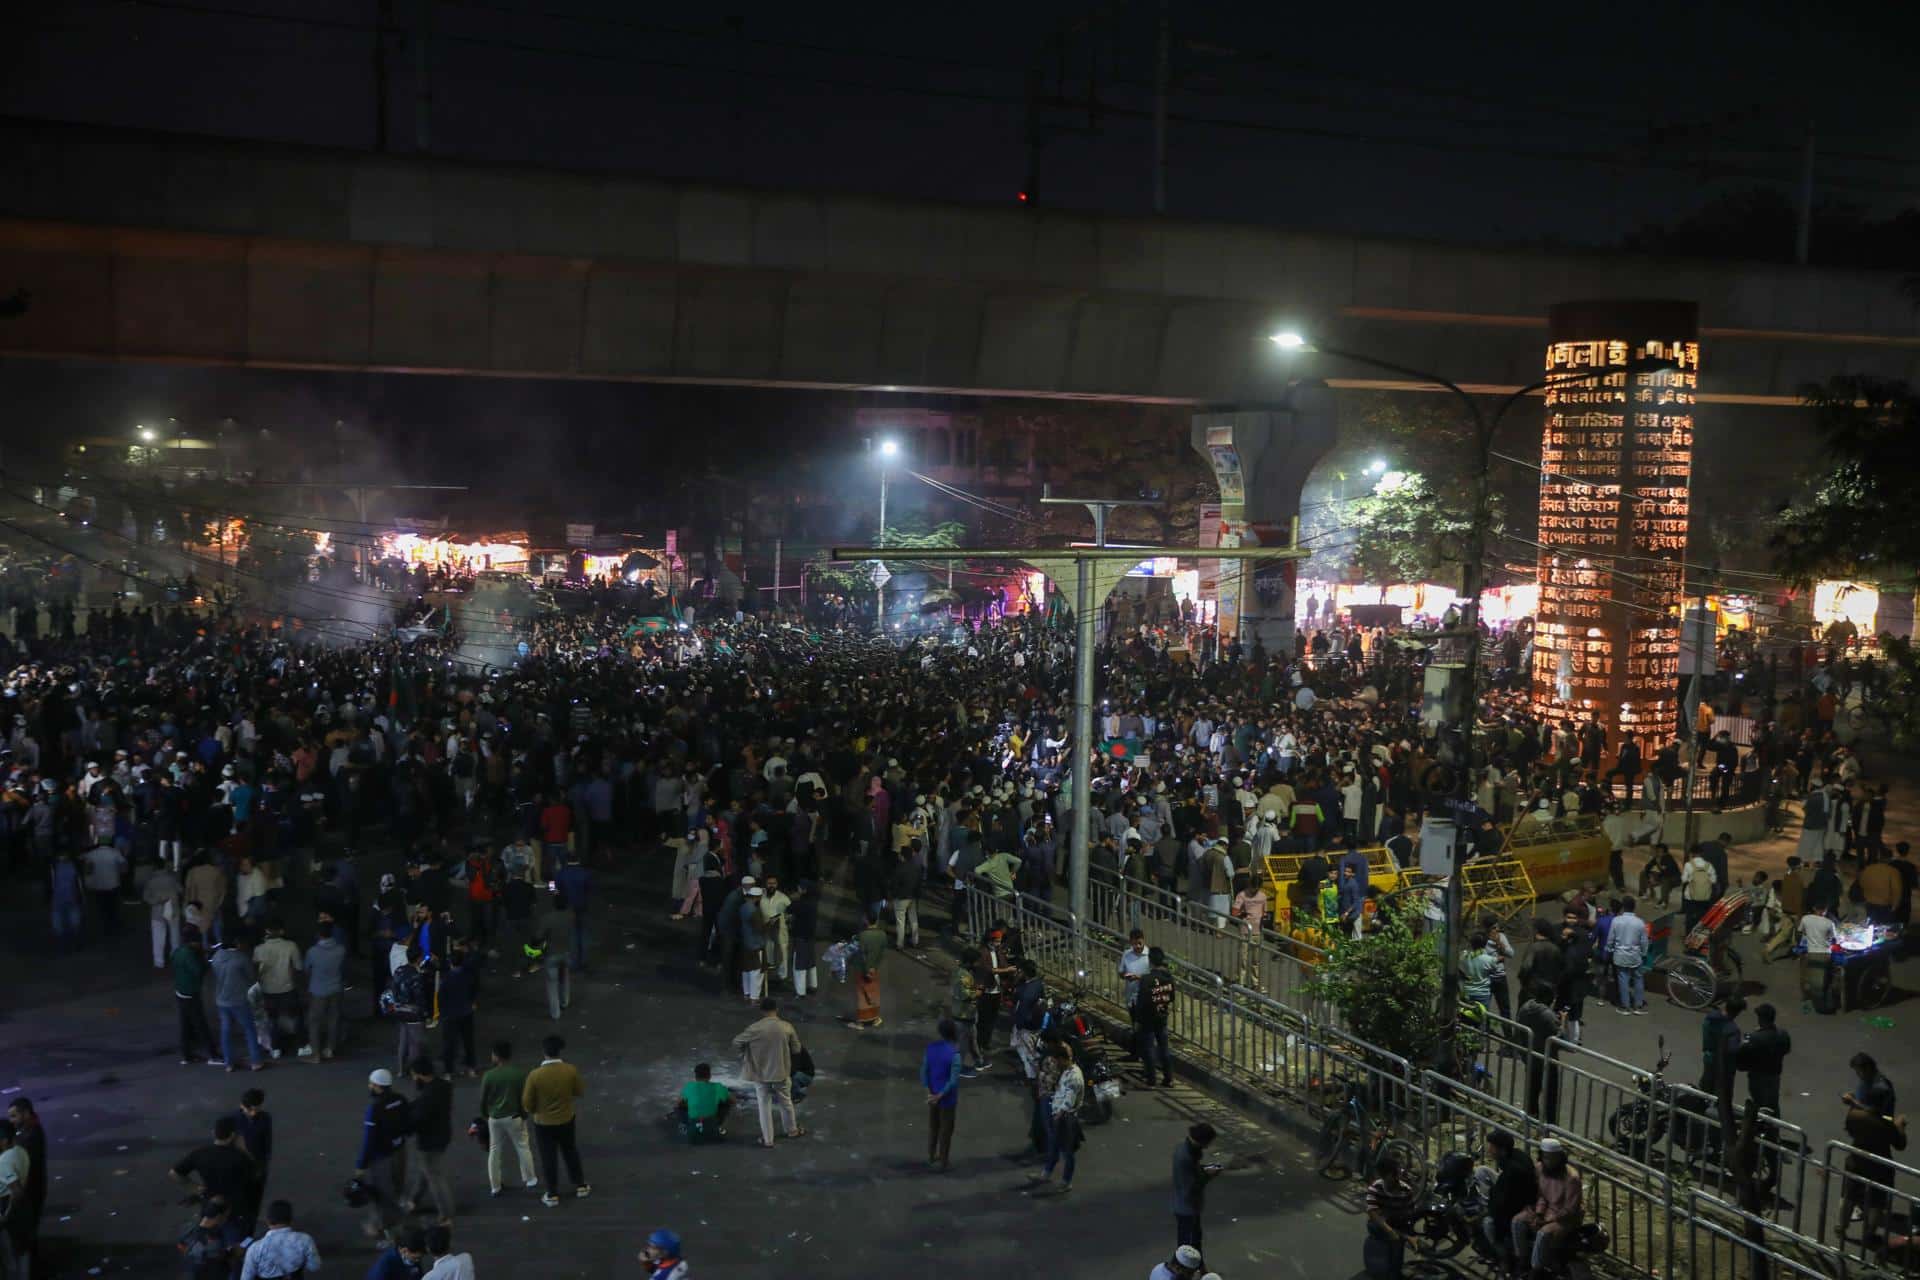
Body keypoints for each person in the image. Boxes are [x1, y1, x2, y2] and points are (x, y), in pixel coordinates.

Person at [522, 1035, 590, 1206]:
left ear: (544, 1052)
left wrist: (536, 1110)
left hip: (543, 1123)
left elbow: (527, 1103)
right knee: (570, 1151)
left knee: (548, 1157)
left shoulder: (535, 1075)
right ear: (559, 1050)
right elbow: (579, 1091)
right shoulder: (570, 1070)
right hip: (566, 1119)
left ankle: (552, 1194)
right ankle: (580, 1185)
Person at [732, 997, 806, 1149]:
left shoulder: (754, 1028)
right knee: (786, 1102)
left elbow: (737, 1042)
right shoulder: (786, 1027)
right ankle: (792, 1130)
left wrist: (745, 1055)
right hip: (781, 1071)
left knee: (763, 1105)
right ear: (776, 1009)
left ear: (762, 1011)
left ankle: (768, 1140)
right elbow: (797, 1049)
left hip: (760, 1073)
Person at [353, 1068, 413, 1240]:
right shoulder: (400, 1100)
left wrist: (361, 1165)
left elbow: (369, 1140)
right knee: (397, 1186)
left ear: (378, 1086)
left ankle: (389, 1231)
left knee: (382, 1193)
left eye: (371, 1084)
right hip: (400, 1151)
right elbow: (408, 1122)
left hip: (382, 1157)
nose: (369, 1086)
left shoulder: (375, 1108)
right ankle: (384, 1221)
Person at [169, 1117, 258, 1228]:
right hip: (234, 1211)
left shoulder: (199, 1153)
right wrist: (244, 1148)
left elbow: (174, 1173)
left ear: (214, 1133)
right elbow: (256, 1173)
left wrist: (195, 1187)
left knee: (206, 1236)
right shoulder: (239, 1157)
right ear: (232, 1135)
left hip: (209, 1207)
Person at [1511, 1138, 1583, 1276]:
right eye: (1546, 1158)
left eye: (1552, 1159)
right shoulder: (1539, 1168)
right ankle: (1522, 1259)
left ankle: (1536, 1269)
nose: (1549, 1162)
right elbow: (1541, 1196)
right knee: (1517, 1221)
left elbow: (1570, 1209)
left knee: (1543, 1233)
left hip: (1565, 1218)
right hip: (1545, 1211)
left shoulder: (1572, 1178)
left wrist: (1547, 1220)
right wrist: (1538, 1214)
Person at [479, 1040, 541, 1195]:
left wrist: (486, 1114)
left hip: (495, 1118)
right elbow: (524, 1097)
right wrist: (523, 1114)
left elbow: (483, 1100)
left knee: (494, 1151)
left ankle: (495, 1185)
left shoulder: (489, 1076)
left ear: (496, 1056)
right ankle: (530, 1179)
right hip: (514, 1116)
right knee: (522, 1146)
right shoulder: (519, 1074)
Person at [1027, 1040, 1083, 1194]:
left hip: (1065, 1119)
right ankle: (1046, 1173)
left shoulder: (1074, 1077)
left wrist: (1057, 1117)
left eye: (1058, 1060)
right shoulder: (1067, 1070)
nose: (1056, 1063)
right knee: (1054, 1145)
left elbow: (1068, 1102)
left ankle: (1066, 1181)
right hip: (1059, 1115)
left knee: (1067, 1152)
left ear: (1064, 1059)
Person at [407, 1058, 456, 1226]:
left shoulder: (427, 1096)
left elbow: (417, 1119)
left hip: (429, 1141)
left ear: (420, 1075)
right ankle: (413, 1200)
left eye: (414, 1075)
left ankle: (446, 1213)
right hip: (443, 1136)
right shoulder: (443, 1086)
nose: (413, 1079)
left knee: (434, 1176)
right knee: (427, 1170)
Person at [1483, 1130, 1538, 1271]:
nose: (1488, 1149)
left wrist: (1489, 1211)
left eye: (1492, 1147)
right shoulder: (1516, 1155)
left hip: (1518, 1205)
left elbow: (1506, 1203)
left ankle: (1504, 1257)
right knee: (1482, 1171)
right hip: (1512, 1196)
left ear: (1501, 1149)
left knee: (1488, 1223)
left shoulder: (1513, 1170)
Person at [211, 933, 266, 1072]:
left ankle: (229, 1063)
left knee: (226, 1031)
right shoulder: (241, 958)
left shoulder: (216, 957)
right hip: (239, 1000)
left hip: (222, 1000)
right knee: (249, 1030)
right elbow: (251, 978)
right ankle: (256, 1061)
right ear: (236, 943)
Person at [1699, 994, 1745, 1159]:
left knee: (1704, 1093)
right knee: (1722, 1103)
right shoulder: (1732, 1029)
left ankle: (1701, 1128)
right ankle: (1715, 1141)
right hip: (1723, 1069)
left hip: (1709, 1059)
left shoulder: (1709, 1020)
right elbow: (1733, 1051)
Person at [3, 1100, 43, 1279]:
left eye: (14, 1115)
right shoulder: (21, 1148)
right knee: (24, 1247)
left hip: (20, 1204)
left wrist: (6, 1216)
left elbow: (16, 1191)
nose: (12, 1120)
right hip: (30, 1197)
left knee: (13, 1256)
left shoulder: (5, 1161)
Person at [1363, 1149, 1418, 1279]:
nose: (1400, 1174)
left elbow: (1410, 1213)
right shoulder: (1375, 1189)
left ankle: (1395, 1271)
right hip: (1380, 1224)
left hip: (1398, 1222)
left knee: (1399, 1241)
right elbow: (1373, 1214)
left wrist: (1408, 1232)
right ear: (1387, 1175)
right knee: (1383, 1231)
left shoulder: (1406, 1190)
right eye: (1397, 1172)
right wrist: (1392, 1232)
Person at [236, 1199, 321, 1280]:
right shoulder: (305, 1239)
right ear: (291, 1220)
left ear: (267, 1221)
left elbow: (246, 1278)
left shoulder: (255, 1248)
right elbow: (314, 1267)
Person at [300, 919, 347, 1062]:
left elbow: (306, 969)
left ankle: (316, 1054)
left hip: (318, 990)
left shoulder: (312, 952)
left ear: (318, 935)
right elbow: (344, 969)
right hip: (336, 988)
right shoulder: (341, 949)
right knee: (334, 1019)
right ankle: (330, 1049)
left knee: (314, 1021)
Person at [172, 926, 219, 1064]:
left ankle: (186, 1055)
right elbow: (199, 971)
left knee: (186, 1026)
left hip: (180, 992)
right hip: (191, 993)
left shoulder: (178, 952)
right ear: (193, 942)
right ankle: (213, 1054)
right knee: (201, 1025)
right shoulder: (190, 955)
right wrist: (207, 960)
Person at [1738, 1002, 1791, 1119]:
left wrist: (1746, 1041)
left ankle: (1761, 1130)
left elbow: (1743, 1054)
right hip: (1774, 1075)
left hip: (1758, 1076)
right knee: (1773, 1104)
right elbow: (1786, 1049)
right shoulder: (1783, 1034)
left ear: (1761, 1019)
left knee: (1759, 1103)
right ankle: (1774, 1130)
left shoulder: (1756, 1037)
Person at [921, 1017, 961, 1170]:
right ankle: (944, 1161)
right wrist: (940, 1095)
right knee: (946, 1132)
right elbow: (953, 1081)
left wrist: (929, 1092)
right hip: (947, 1100)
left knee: (934, 1128)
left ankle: (931, 1156)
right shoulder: (955, 1055)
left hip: (933, 1098)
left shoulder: (931, 1048)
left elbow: (924, 1071)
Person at [1171, 1121, 1219, 1253]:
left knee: (1192, 1240)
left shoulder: (1185, 1149)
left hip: (1183, 1204)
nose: (1208, 1146)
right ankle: (1189, 1269)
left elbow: (1191, 1173)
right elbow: (1190, 1188)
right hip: (1187, 1208)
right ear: (1202, 1141)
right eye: (1208, 1143)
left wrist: (1203, 1169)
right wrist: (1208, 1175)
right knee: (1190, 1244)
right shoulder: (1186, 1157)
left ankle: (1198, 1267)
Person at [175, 1194, 246, 1280]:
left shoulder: (187, 1230)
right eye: (226, 1216)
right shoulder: (217, 1239)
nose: (226, 1218)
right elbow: (236, 1254)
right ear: (220, 1216)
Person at [233, 1088, 274, 1231]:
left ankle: (250, 1225)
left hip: (258, 1166)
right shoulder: (232, 1120)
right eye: (249, 1110)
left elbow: (267, 1144)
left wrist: (263, 1166)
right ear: (242, 1105)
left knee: (255, 1198)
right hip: (238, 1167)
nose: (253, 1113)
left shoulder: (265, 1118)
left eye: (256, 1109)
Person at [1135, 947, 1176, 1089]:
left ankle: (1151, 1080)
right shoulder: (1169, 978)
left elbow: (1141, 1002)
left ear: (1150, 961)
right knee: (1164, 1048)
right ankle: (1169, 1078)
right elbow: (1171, 997)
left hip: (1148, 1019)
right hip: (1162, 1017)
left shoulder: (1146, 979)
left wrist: (1138, 1019)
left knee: (1149, 1049)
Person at [1607, 896, 1649, 1013]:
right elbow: (1644, 941)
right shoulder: (1640, 922)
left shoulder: (1616, 920)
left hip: (1620, 955)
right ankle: (1638, 1005)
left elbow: (1611, 938)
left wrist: (1609, 948)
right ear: (1634, 907)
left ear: (1623, 907)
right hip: (1635, 956)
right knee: (1638, 979)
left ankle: (1625, 1006)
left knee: (1623, 980)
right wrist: (1644, 953)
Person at [674, 1062, 733, 1144]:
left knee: (678, 1107)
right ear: (709, 1075)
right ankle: (717, 1126)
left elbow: (678, 1104)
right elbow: (733, 1101)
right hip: (712, 1130)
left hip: (692, 1137)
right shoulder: (717, 1086)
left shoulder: (689, 1086)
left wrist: (690, 1105)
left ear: (695, 1076)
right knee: (726, 1104)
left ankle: (685, 1127)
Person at [851, 909, 888, 1029]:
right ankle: (875, 1018)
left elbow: (856, 953)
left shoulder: (862, 936)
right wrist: (873, 967)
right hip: (874, 969)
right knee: (873, 993)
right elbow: (882, 953)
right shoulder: (882, 935)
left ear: (866, 920)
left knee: (862, 995)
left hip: (862, 970)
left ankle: (860, 1022)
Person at [1845, 1052, 1897, 1117]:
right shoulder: (1867, 1081)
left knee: (1856, 1116)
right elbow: (1865, 1100)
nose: (1857, 1074)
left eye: (1858, 1071)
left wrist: (1853, 1102)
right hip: (1871, 1119)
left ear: (1868, 1068)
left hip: (1885, 1120)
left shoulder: (1880, 1086)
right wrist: (1853, 1097)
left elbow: (1874, 1112)